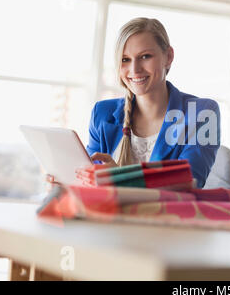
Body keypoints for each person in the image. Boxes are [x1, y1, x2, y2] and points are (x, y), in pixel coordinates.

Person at [75, 17, 220, 188]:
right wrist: (68, 180)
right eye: (125, 59)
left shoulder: (202, 113)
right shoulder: (102, 114)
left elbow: (190, 179)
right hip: (107, 213)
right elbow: (91, 179)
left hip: (168, 214)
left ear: (168, 57)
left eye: (145, 56)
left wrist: (121, 179)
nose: (135, 69)